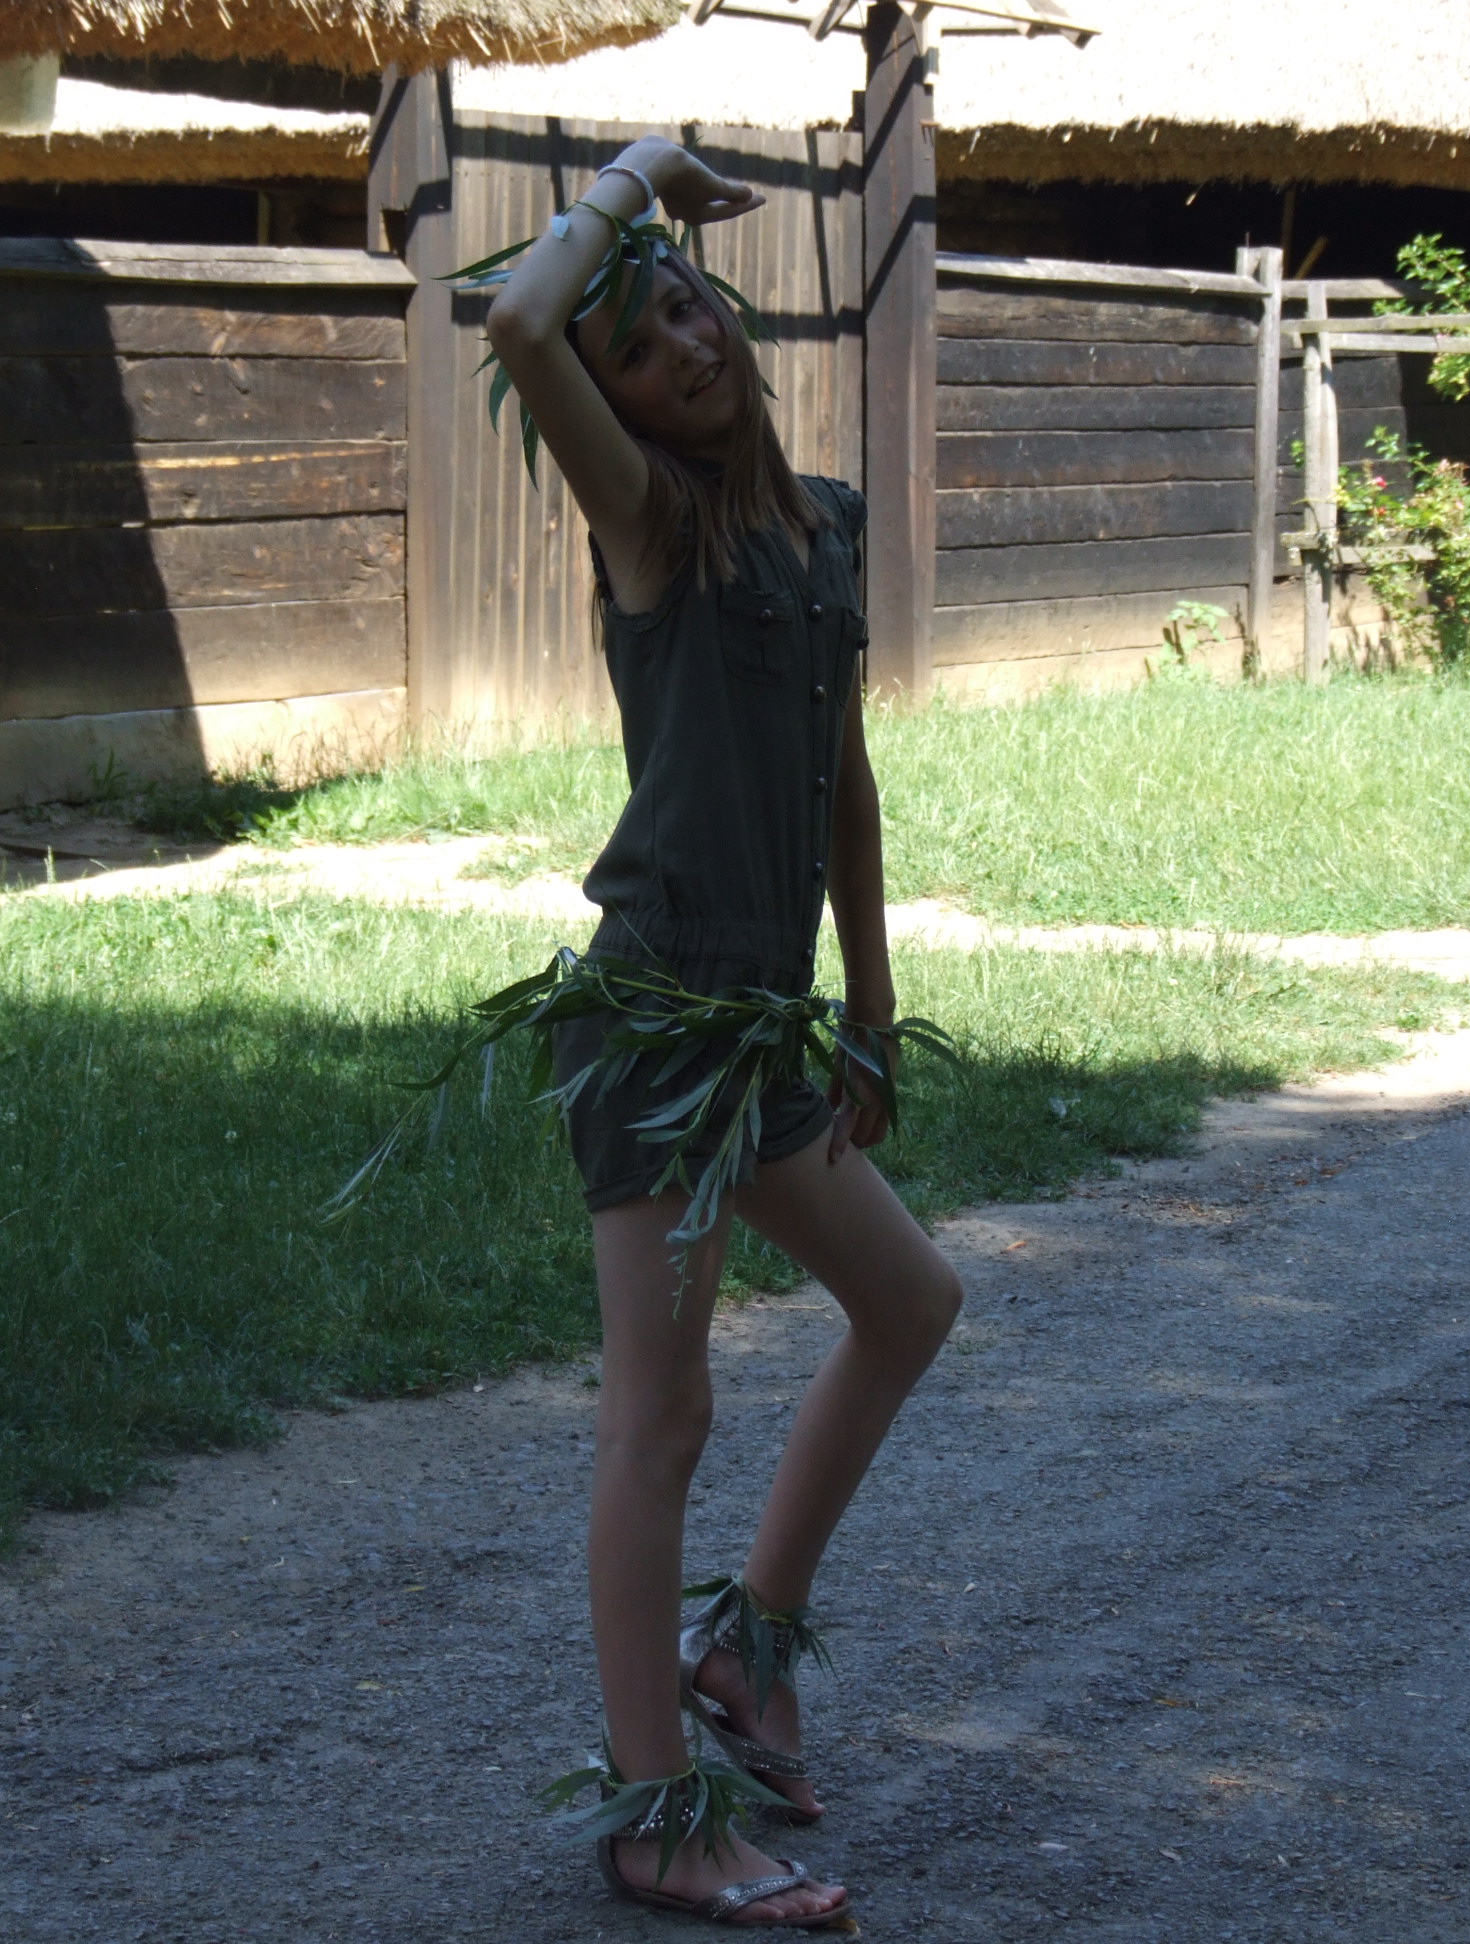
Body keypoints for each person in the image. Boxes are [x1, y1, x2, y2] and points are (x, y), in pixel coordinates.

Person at [481, 136, 964, 1928]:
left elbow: (845, 784)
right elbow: (521, 321)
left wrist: (873, 1012)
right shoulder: (648, 524)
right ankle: (654, 1815)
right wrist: (637, 177)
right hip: (654, 1029)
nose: (682, 347)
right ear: (609, 408)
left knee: (911, 1302)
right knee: (661, 1415)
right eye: (640, 347)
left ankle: (748, 1653)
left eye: (690, 311)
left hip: (763, 1034)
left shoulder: (820, 525)